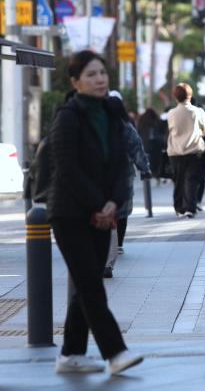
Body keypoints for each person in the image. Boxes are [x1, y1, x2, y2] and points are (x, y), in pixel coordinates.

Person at [47, 50, 143, 375]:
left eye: (102, 72)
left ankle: (71, 354)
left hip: (104, 213)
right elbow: (68, 169)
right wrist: (98, 205)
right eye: (91, 74)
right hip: (70, 214)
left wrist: (113, 203)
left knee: (85, 283)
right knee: (91, 283)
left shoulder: (112, 111)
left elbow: (119, 162)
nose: (99, 79)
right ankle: (115, 352)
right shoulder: (68, 116)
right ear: (75, 82)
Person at [104, 91, 152, 278]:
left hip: (100, 178)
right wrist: (145, 169)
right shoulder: (126, 128)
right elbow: (137, 151)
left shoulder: (99, 127)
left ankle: (107, 254)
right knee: (121, 212)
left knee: (105, 215)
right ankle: (117, 246)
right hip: (123, 176)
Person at [166, 83, 205, 218]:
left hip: (176, 151)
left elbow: (171, 130)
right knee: (191, 179)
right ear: (190, 95)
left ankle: (179, 208)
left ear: (176, 97)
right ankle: (190, 207)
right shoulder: (198, 112)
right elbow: (204, 130)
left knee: (178, 179)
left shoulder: (171, 113)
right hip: (194, 150)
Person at [136, 108, 164, 179]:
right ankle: (156, 173)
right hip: (155, 146)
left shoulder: (141, 123)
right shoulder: (157, 122)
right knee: (156, 159)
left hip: (144, 146)